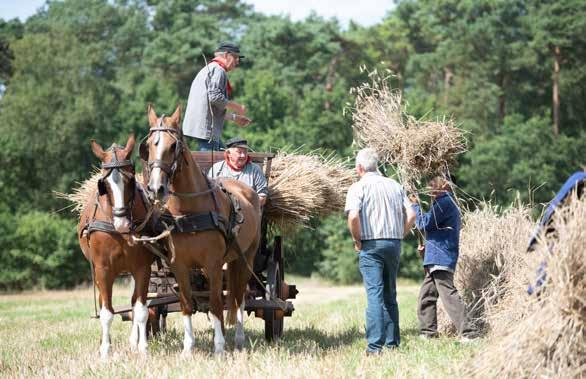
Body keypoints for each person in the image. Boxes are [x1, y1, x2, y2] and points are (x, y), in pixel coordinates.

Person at [344, 148, 416, 355]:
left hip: (371, 245)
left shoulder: (358, 187)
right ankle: (392, 344)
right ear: (377, 165)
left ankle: (375, 347)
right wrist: (400, 234)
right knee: (390, 294)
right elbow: (411, 214)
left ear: (359, 168)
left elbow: (353, 217)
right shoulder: (394, 185)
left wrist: (357, 240)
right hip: (393, 243)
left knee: (374, 295)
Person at [410, 175, 476, 341]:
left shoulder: (445, 202)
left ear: (446, 184)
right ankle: (428, 333)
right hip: (437, 256)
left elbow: (424, 224)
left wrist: (415, 206)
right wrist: (427, 248)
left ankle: (469, 333)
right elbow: (434, 229)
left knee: (448, 296)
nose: (430, 184)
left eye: (434, 181)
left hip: (441, 257)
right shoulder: (441, 203)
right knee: (426, 296)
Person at [183, 42, 251, 151]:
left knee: (222, 159)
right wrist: (237, 107)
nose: (237, 61)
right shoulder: (218, 70)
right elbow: (215, 97)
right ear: (225, 55)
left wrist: (234, 118)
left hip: (204, 128)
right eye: (235, 57)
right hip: (207, 130)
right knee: (211, 166)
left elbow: (211, 109)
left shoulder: (210, 68)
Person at [207, 136, 268, 206]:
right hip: (221, 213)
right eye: (239, 152)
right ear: (228, 154)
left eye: (245, 152)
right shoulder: (217, 169)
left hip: (247, 213)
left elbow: (262, 197)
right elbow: (209, 194)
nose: (243, 155)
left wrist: (246, 208)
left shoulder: (255, 170)